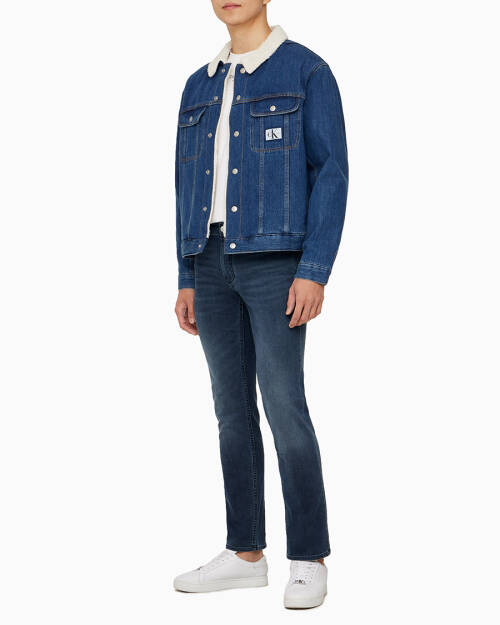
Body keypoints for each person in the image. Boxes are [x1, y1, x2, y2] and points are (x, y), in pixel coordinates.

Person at [173, 0, 348, 609]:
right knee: (231, 412)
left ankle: (308, 556)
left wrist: (314, 270)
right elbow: (186, 185)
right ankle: (246, 552)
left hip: (276, 264)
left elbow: (331, 174)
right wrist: (187, 273)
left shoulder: (306, 71)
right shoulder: (198, 86)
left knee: (283, 405)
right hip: (209, 260)